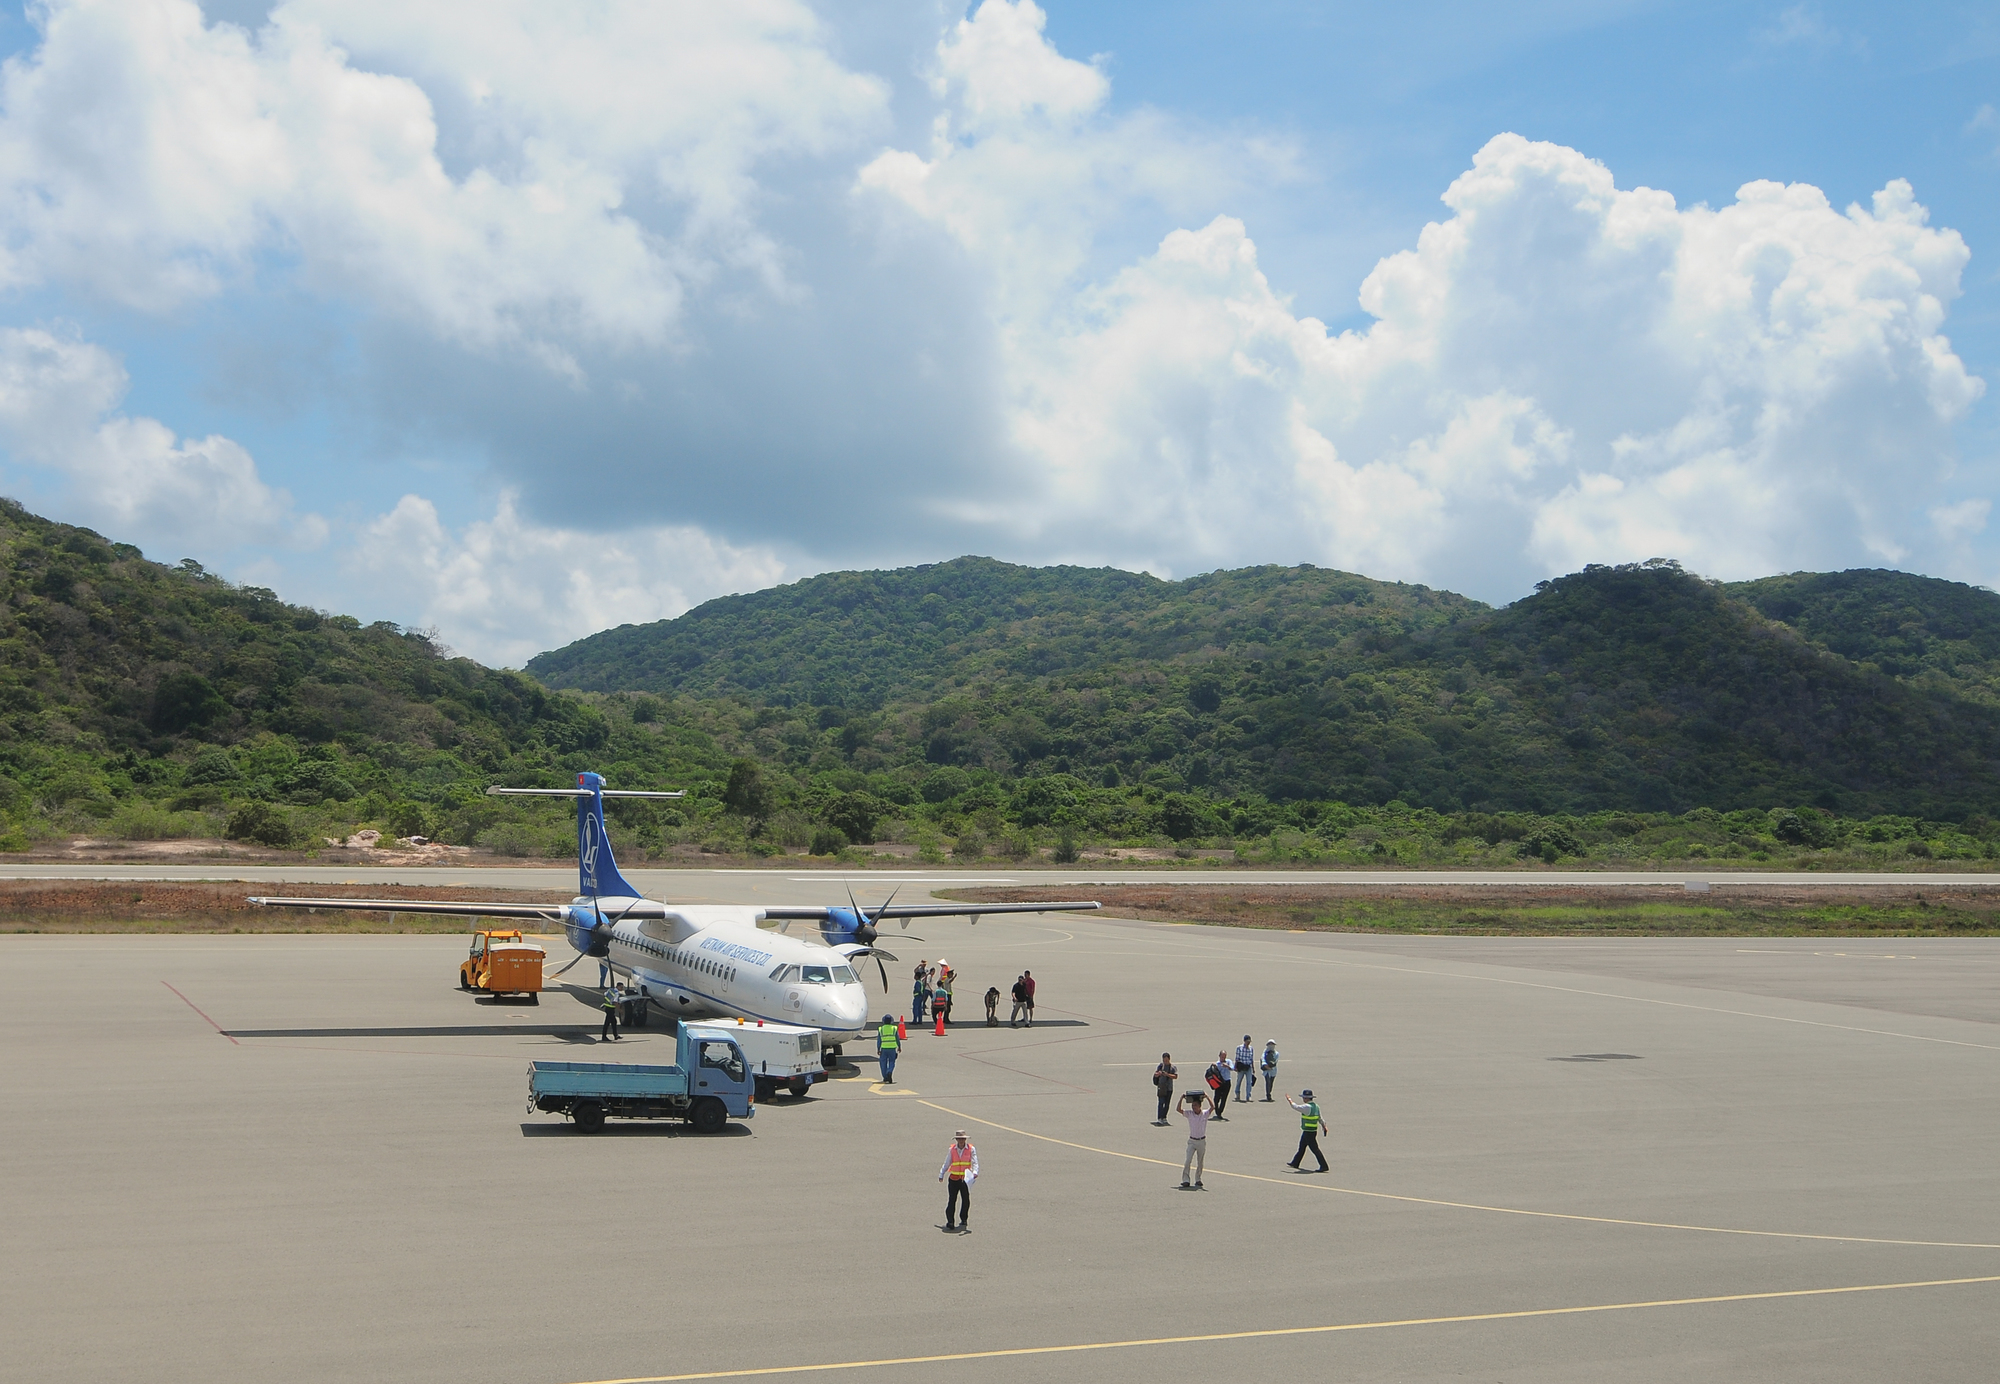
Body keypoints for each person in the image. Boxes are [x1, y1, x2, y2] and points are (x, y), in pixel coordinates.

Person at [938, 1129, 978, 1230]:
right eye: (959, 1139)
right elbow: (947, 1162)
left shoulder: (971, 1149)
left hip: (965, 1179)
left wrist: (975, 1172)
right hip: (954, 1179)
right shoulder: (952, 1149)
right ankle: (950, 1221)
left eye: (962, 1139)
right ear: (956, 1139)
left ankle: (963, 1219)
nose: (961, 1141)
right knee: (952, 1200)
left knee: (966, 1200)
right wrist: (941, 1174)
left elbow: (975, 1162)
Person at [1286, 1088, 1329, 1172]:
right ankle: (1295, 1162)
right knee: (1302, 1147)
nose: (1303, 1099)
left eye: (1304, 1097)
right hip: (1311, 1131)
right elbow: (1320, 1118)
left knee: (1315, 1149)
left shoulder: (1306, 1107)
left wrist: (1289, 1099)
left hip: (1308, 1132)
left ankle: (1324, 1166)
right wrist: (1324, 1126)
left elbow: (1295, 1107)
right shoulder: (1316, 1106)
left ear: (1306, 1098)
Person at [1177, 1091, 1209, 1189]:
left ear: (1199, 1106)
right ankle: (1186, 1180)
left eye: (1195, 1105)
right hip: (1192, 1141)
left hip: (1201, 1141)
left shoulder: (1204, 1114)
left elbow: (1213, 1107)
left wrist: (1207, 1097)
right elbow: (1178, 1109)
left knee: (1200, 1161)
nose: (1193, 1107)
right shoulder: (1190, 1114)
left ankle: (1198, 1179)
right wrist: (1181, 1098)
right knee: (1188, 1161)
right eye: (1192, 1105)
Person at [1152, 1053, 1177, 1125]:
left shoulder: (1173, 1067)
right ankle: (1160, 1118)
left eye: (1166, 1060)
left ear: (1169, 1059)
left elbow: (1175, 1076)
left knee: (1167, 1104)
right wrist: (1158, 1074)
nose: (1165, 1062)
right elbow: (1155, 1074)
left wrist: (1167, 1074)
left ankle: (1164, 1117)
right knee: (1161, 1103)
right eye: (1164, 1060)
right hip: (1162, 1088)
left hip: (1169, 1088)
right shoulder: (1160, 1066)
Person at [876, 1013, 900, 1084]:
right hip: (892, 1048)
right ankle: (889, 1071)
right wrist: (899, 1046)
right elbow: (897, 1038)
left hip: (884, 1048)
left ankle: (885, 1076)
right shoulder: (894, 1028)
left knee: (883, 1063)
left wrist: (878, 1049)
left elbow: (879, 1040)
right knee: (892, 1061)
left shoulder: (881, 1029)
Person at [1206, 1050, 1231, 1119]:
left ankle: (1220, 1112)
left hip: (1227, 1082)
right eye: (1222, 1056)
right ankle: (1217, 1111)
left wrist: (1227, 1066)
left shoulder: (1228, 1061)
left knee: (1224, 1098)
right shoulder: (1217, 1064)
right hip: (1219, 1083)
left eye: (1225, 1056)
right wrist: (1214, 1066)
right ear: (1219, 1056)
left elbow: (1233, 1068)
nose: (1223, 1058)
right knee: (1216, 1098)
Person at [1233, 1035, 1256, 1103]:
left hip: (1248, 1067)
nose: (1248, 1043)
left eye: (1249, 1041)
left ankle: (1248, 1096)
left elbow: (1252, 1059)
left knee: (1249, 1082)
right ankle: (1237, 1094)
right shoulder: (1239, 1048)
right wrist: (1235, 1066)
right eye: (1247, 1041)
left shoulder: (1251, 1048)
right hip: (1241, 1067)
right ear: (1244, 1041)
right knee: (1239, 1081)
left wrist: (1253, 1068)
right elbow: (1237, 1058)